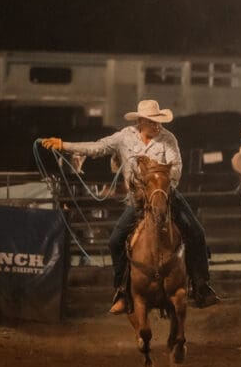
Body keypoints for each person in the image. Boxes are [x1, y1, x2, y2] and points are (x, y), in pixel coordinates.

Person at [41, 99, 219, 314]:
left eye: (158, 121)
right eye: (153, 122)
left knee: (196, 232)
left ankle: (201, 285)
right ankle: (122, 290)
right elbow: (98, 147)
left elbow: (177, 170)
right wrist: (64, 145)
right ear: (142, 121)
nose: (158, 126)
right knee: (115, 240)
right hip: (138, 200)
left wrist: (157, 179)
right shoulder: (124, 137)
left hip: (165, 196)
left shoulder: (168, 139)